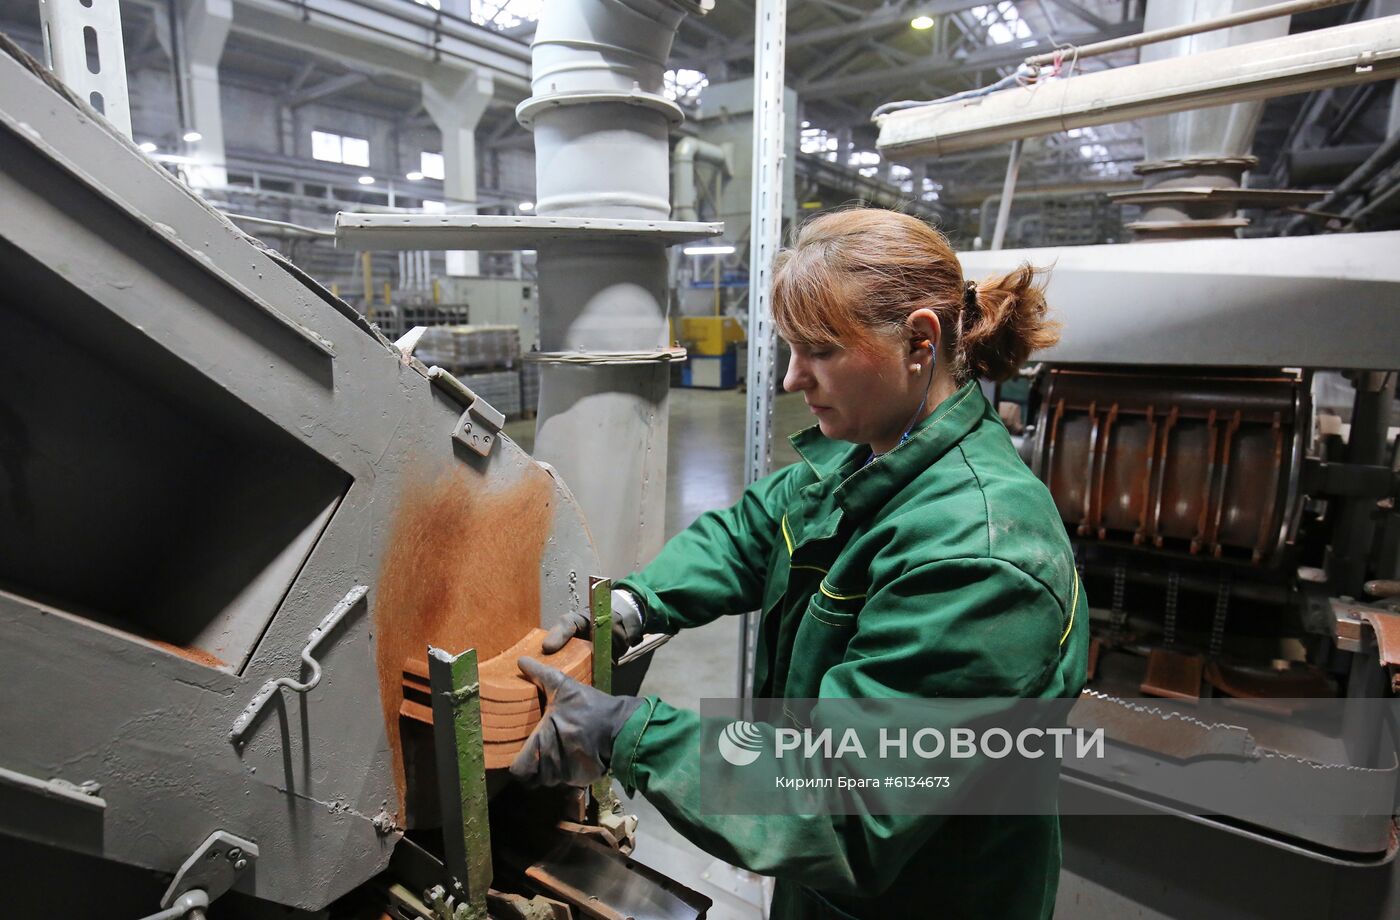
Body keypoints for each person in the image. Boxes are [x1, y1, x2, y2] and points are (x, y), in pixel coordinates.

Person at [510, 207, 1089, 919]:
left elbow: (846, 803)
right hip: (827, 890)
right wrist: (636, 603)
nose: (791, 380)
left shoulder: (981, 558)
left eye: (819, 350)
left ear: (920, 340)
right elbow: (753, 531)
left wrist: (625, 733)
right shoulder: (874, 452)